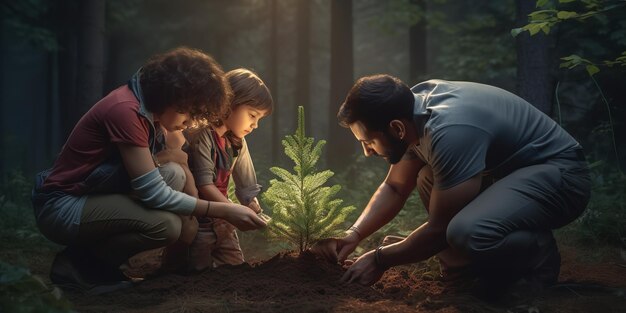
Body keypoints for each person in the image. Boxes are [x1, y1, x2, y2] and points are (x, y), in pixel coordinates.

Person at [312, 75, 591, 297]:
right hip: (510, 176)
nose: (367, 152)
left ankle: (536, 252)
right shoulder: (411, 114)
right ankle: (465, 271)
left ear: (396, 128)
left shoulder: (449, 131)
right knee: (427, 178)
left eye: (368, 141)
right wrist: (354, 234)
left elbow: (439, 230)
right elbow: (395, 187)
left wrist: (381, 258)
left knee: (464, 231)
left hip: (561, 178)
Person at [31, 47, 267, 295]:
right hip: (62, 204)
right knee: (166, 226)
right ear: (175, 96)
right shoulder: (126, 111)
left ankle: (94, 264)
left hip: (93, 193)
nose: (190, 122)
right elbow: (153, 193)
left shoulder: (152, 114)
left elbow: (179, 161)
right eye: (190, 112)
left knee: (175, 184)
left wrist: (196, 205)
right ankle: (80, 263)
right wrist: (224, 209)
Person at [181, 68, 273, 271]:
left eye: (259, 119)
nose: (255, 125)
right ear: (230, 103)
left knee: (235, 269)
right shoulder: (202, 134)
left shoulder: (237, 142)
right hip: (198, 220)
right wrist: (233, 211)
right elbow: (204, 185)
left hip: (224, 221)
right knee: (195, 272)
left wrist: (251, 203)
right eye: (252, 115)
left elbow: (246, 183)